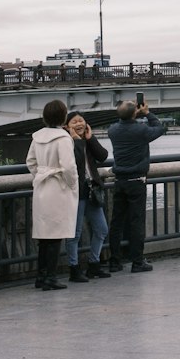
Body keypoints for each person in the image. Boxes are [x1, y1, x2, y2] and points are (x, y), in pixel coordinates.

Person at [107, 99, 166, 273]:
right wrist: (147, 113)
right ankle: (137, 262)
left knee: (116, 222)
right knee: (136, 222)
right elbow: (160, 128)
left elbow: (121, 123)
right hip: (137, 180)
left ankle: (114, 261)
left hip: (119, 180)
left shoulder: (112, 130)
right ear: (135, 113)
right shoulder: (141, 130)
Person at [26, 99, 78, 290]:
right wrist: (71, 184)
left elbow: (30, 161)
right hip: (57, 187)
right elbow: (69, 167)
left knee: (43, 235)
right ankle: (51, 277)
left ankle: (41, 276)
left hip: (41, 187)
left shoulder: (37, 136)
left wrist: (40, 174)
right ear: (63, 116)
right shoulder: (63, 138)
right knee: (56, 235)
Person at [64, 112, 111, 282]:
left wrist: (91, 139)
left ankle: (94, 263)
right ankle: (74, 268)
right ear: (67, 126)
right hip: (76, 193)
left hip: (92, 192)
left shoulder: (88, 141)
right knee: (74, 233)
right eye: (74, 122)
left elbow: (103, 156)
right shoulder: (66, 143)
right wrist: (76, 139)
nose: (79, 124)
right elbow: (76, 162)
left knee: (102, 229)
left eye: (81, 121)